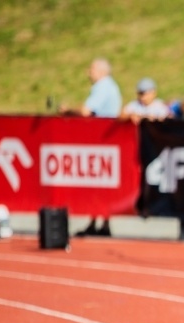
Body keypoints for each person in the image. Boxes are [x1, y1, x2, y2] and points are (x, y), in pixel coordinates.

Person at [60, 58, 122, 237]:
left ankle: (100, 222)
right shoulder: (111, 86)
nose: (89, 73)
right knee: (102, 184)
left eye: (92, 69)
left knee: (100, 183)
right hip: (106, 142)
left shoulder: (103, 86)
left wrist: (69, 111)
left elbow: (87, 111)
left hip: (102, 141)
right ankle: (99, 222)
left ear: (101, 71)